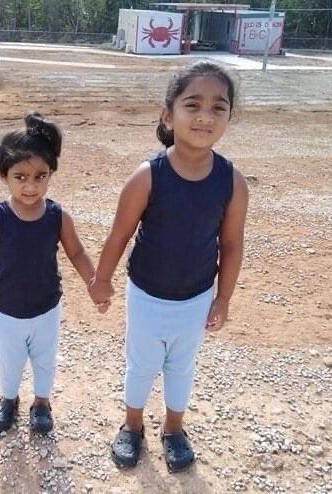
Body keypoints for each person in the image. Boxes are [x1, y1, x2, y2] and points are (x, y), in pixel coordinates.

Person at [89, 62, 248, 472]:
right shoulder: (147, 177)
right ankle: (132, 425)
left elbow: (231, 244)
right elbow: (119, 235)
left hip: (195, 298)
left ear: (229, 117)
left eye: (218, 107)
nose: (204, 116)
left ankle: (174, 429)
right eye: (192, 104)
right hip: (146, 295)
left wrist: (223, 299)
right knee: (141, 364)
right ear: (168, 116)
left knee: (182, 366)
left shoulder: (232, 182)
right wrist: (101, 280)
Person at [0, 112, 105, 434]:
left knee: (45, 359)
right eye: (20, 177)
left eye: (40, 176)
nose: (31, 186)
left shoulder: (58, 216)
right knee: (10, 361)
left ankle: (42, 403)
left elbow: (77, 252)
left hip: (47, 307)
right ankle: (9, 399)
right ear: (2, 175)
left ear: (50, 174)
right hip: (8, 309)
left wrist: (94, 283)